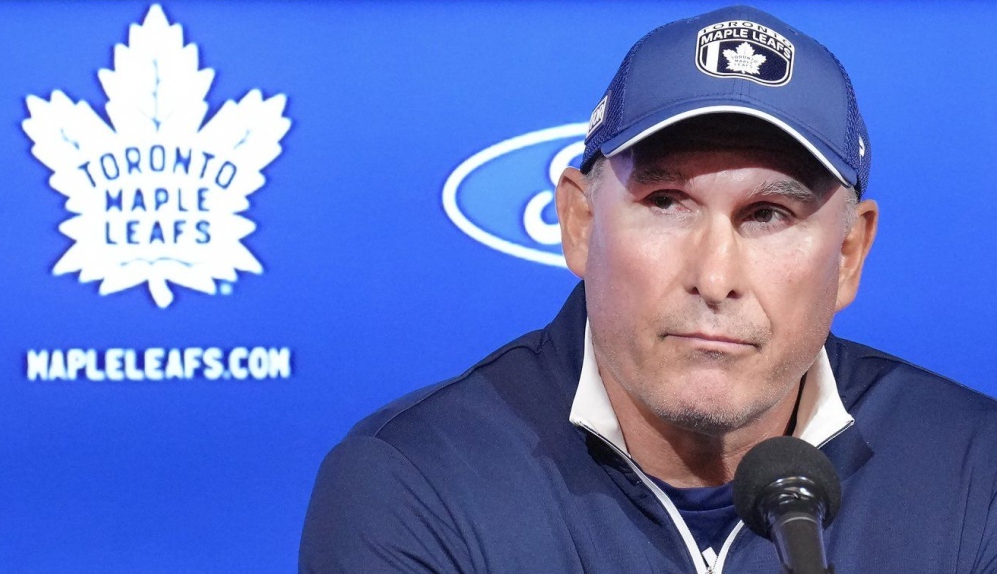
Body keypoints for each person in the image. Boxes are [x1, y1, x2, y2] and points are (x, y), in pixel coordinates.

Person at [300, 5, 997, 573]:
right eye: (666, 202)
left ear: (848, 254)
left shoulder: (975, 473)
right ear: (579, 223)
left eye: (767, 215)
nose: (714, 279)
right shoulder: (419, 484)